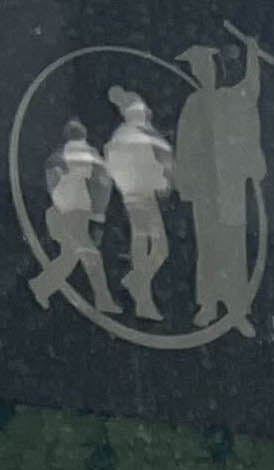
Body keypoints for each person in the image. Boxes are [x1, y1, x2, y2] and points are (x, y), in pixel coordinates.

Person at [173, 28, 272, 335]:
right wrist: (184, 182)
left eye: (208, 66)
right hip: (205, 190)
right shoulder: (193, 104)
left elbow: (251, 88)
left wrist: (253, 55)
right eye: (199, 68)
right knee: (209, 248)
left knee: (234, 249)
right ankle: (208, 304)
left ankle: (238, 310)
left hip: (229, 188)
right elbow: (184, 146)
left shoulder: (230, 100)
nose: (205, 72)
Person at [29, 123, 116, 317]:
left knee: (71, 256)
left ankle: (41, 285)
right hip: (72, 210)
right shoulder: (82, 157)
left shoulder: (63, 159)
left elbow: (99, 184)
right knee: (87, 254)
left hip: (72, 210)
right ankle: (103, 299)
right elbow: (102, 184)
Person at [102, 89, 173, 321]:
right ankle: (141, 294)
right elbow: (121, 168)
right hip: (137, 195)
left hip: (141, 195)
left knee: (153, 245)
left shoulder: (141, 135)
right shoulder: (127, 136)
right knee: (149, 244)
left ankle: (137, 282)